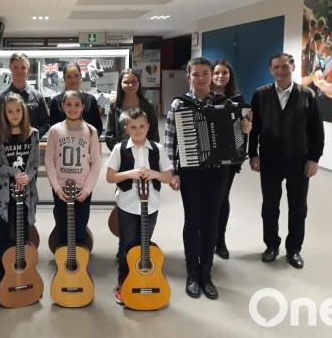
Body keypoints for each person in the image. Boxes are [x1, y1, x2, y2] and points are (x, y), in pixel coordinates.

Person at [164, 57, 252, 300]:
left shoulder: (226, 103)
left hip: (217, 172)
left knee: (211, 221)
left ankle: (207, 272)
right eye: (196, 74)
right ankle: (192, 272)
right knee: (192, 220)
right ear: (189, 77)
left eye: (205, 73)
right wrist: (172, 171)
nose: (201, 78)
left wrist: (244, 130)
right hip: (190, 171)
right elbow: (170, 141)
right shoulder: (179, 105)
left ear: (211, 76)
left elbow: (237, 142)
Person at [249, 53, 325, 270]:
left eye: (284, 67)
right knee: (270, 207)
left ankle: (294, 250)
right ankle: (271, 246)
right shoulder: (260, 95)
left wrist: (314, 159)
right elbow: (253, 128)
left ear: (292, 67)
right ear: (270, 70)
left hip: (299, 161)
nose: (280, 71)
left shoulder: (307, 95)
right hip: (270, 161)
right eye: (276, 67)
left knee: (298, 207)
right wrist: (253, 153)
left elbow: (316, 131)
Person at [106, 107, 174, 305]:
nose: (138, 130)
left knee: (144, 243)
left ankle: (141, 278)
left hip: (150, 205)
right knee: (127, 244)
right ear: (126, 129)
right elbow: (110, 177)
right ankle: (123, 281)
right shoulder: (120, 149)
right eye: (133, 127)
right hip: (127, 205)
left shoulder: (157, 149)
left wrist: (154, 174)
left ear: (148, 127)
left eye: (141, 126)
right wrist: (130, 173)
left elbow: (169, 176)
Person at [0, 93, 40, 307]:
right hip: (4, 194)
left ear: (23, 111)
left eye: (18, 110)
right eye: (10, 111)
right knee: (3, 236)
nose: (14, 114)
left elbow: (35, 162)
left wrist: (27, 175)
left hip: (26, 194)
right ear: (4, 113)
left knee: (23, 237)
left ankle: (24, 279)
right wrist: (14, 173)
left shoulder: (33, 134)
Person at [45, 90, 102, 248]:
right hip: (61, 189)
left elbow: (96, 162)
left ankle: (80, 266)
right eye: (68, 104)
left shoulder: (91, 131)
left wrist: (88, 189)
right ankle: (64, 265)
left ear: (83, 106)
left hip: (82, 188)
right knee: (63, 229)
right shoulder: (55, 130)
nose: (73, 108)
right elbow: (49, 161)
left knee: (80, 229)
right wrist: (56, 187)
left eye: (77, 104)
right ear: (62, 106)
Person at [210, 59, 246, 260]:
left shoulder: (238, 99)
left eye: (224, 73)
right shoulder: (204, 98)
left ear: (230, 76)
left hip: (229, 158)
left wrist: (246, 128)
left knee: (223, 198)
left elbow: (243, 130)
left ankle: (220, 240)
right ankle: (206, 237)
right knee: (208, 199)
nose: (220, 76)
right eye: (216, 73)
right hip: (206, 157)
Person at [0, 52, 50, 137]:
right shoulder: (0, 98)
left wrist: (33, 137)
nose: (19, 71)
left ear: (28, 70)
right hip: (7, 147)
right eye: (15, 67)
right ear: (10, 68)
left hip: (30, 148)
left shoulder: (38, 97)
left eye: (23, 67)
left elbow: (45, 123)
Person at [105, 69, 159, 150]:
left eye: (134, 82)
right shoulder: (114, 106)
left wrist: (149, 152)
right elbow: (109, 135)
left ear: (139, 83)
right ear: (120, 84)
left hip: (144, 154)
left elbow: (154, 133)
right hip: (122, 155)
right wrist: (119, 152)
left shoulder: (148, 105)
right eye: (126, 82)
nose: (130, 85)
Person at [49, 62, 103, 136]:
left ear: (81, 76)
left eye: (76, 76)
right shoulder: (55, 101)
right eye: (69, 77)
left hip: (86, 145)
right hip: (63, 145)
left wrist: (89, 141)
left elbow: (98, 127)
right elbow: (53, 130)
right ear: (64, 78)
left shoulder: (91, 100)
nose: (73, 80)